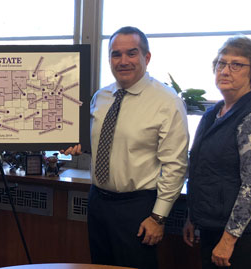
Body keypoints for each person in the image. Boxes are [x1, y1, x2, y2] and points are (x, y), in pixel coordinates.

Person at [62, 26, 188, 268]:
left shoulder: (167, 101)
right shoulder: (101, 97)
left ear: (146, 57)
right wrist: (73, 144)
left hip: (138, 207)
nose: (123, 61)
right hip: (98, 201)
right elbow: (98, 142)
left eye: (131, 53)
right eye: (115, 54)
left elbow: (175, 165)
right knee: (100, 265)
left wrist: (158, 217)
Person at [183, 36, 251, 268]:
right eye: (221, 64)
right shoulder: (213, 114)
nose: (226, 70)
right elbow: (200, 167)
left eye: (236, 65)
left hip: (245, 238)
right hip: (211, 227)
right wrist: (193, 216)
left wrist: (229, 239)